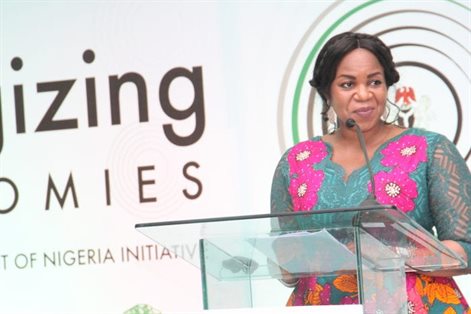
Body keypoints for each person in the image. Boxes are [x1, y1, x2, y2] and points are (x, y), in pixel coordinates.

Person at [270, 31, 471, 312]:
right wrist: (284, 258)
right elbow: (286, 266)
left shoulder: (430, 150)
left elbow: (466, 249)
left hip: (415, 305)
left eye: (374, 82)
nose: (363, 94)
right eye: (347, 84)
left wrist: (392, 253)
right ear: (327, 91)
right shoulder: (296, 163)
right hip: (326, 306)